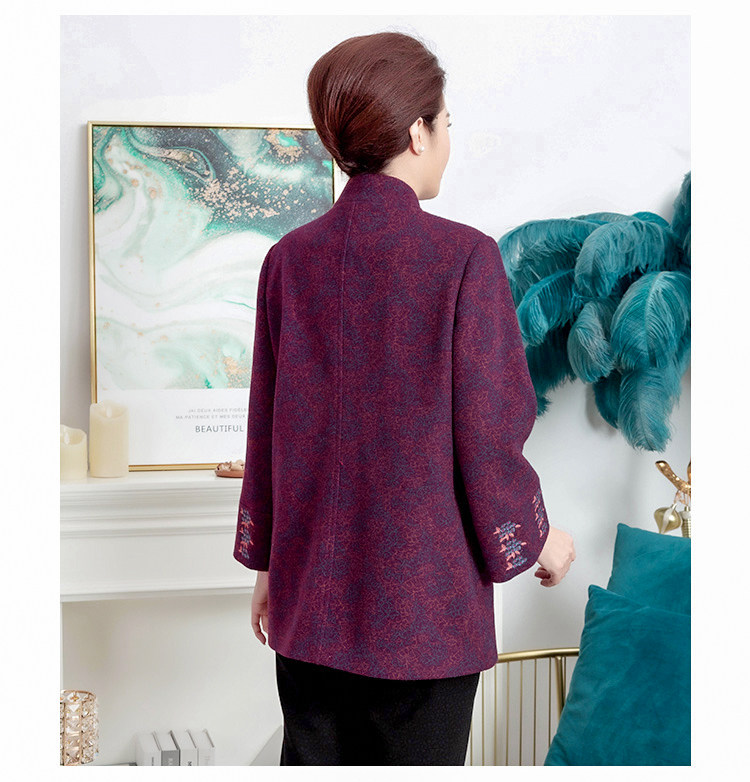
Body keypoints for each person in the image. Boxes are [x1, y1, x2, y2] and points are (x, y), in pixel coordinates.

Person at [233, 30, 576, 766]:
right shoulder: (464, 258)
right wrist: (538, 536)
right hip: (425, 621)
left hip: (307, 611)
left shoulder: (287, 261)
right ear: (418, 132)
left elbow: (269, 432)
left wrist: (269, 570)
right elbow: (489, 431)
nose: (448, 139)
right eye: (446, 122)